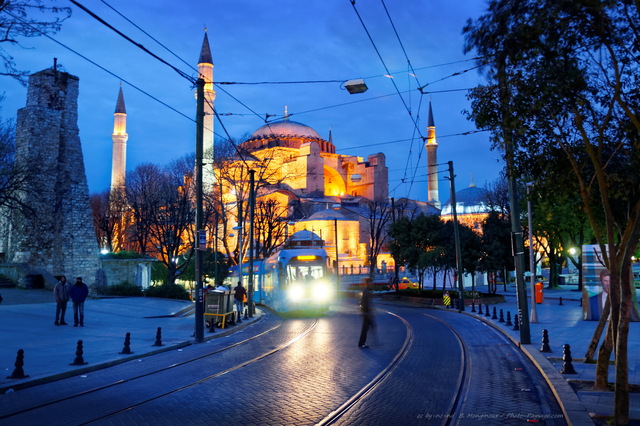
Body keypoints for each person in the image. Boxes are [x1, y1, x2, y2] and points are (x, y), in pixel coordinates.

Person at [358, 278, 374, 348]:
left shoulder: (366, 290)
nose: (371, 284)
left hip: (366, 313)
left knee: (366, 328)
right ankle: (361, 344)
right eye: (370, 283)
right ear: (368, 283)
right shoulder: (366, 291)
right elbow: (364, 302)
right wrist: (366, 313)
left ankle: (362, 343)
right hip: (366, 313)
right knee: (365, 328)